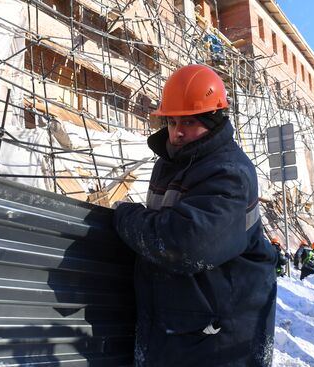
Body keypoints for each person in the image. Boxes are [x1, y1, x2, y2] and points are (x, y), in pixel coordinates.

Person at [112, 64, 277, 366]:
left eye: (188, 122)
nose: (177, 132)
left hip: (219, 337)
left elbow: (183, 245)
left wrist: (125, 216)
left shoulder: (230, 172)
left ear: (213, 121)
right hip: (182, 328)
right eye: (172, 122)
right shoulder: (172, 162)